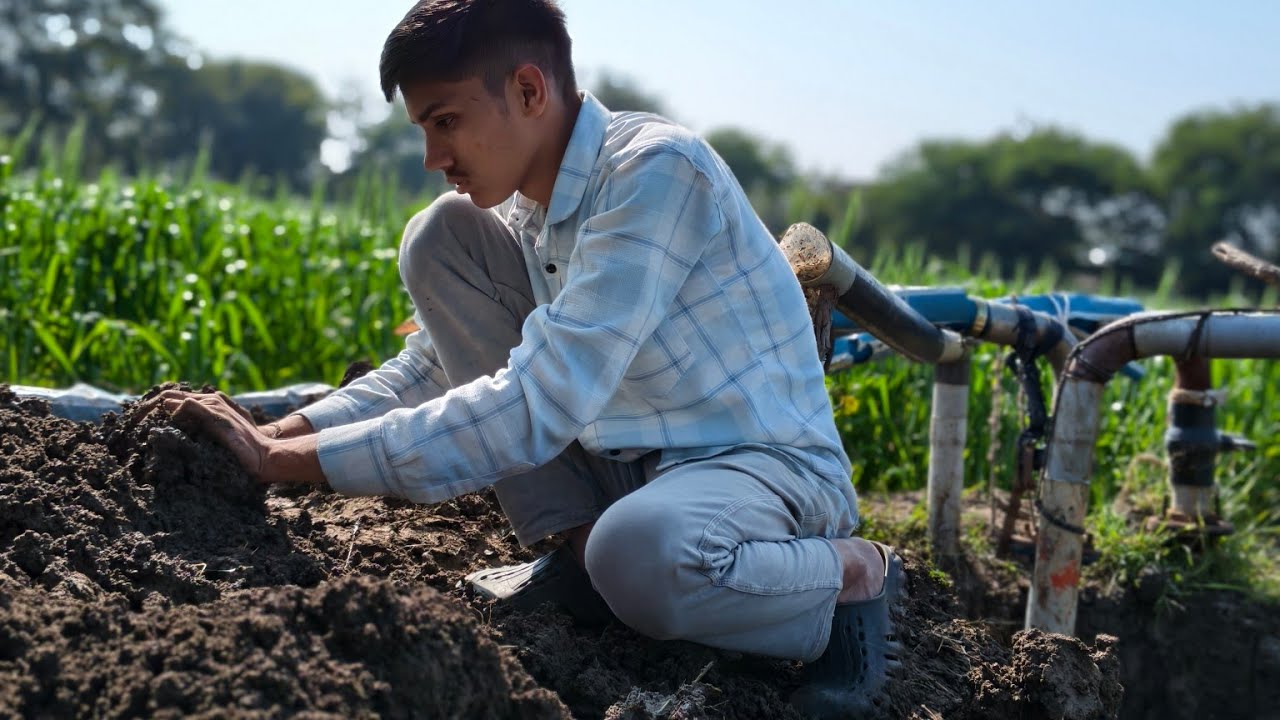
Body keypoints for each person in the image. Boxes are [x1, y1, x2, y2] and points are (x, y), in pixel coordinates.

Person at [160, 1, 902, 716]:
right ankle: (584, 559)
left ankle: (847, 574)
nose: (432, 157)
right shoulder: (528, 207)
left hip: (759, 471)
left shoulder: (656, 174)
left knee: (641, 555)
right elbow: (435, 369)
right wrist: (281, 431)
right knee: (440, 234)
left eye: (446, 122)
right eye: (423, 129)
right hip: (633, 461)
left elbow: (532, 402)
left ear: (527, 90)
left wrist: (283, 466)